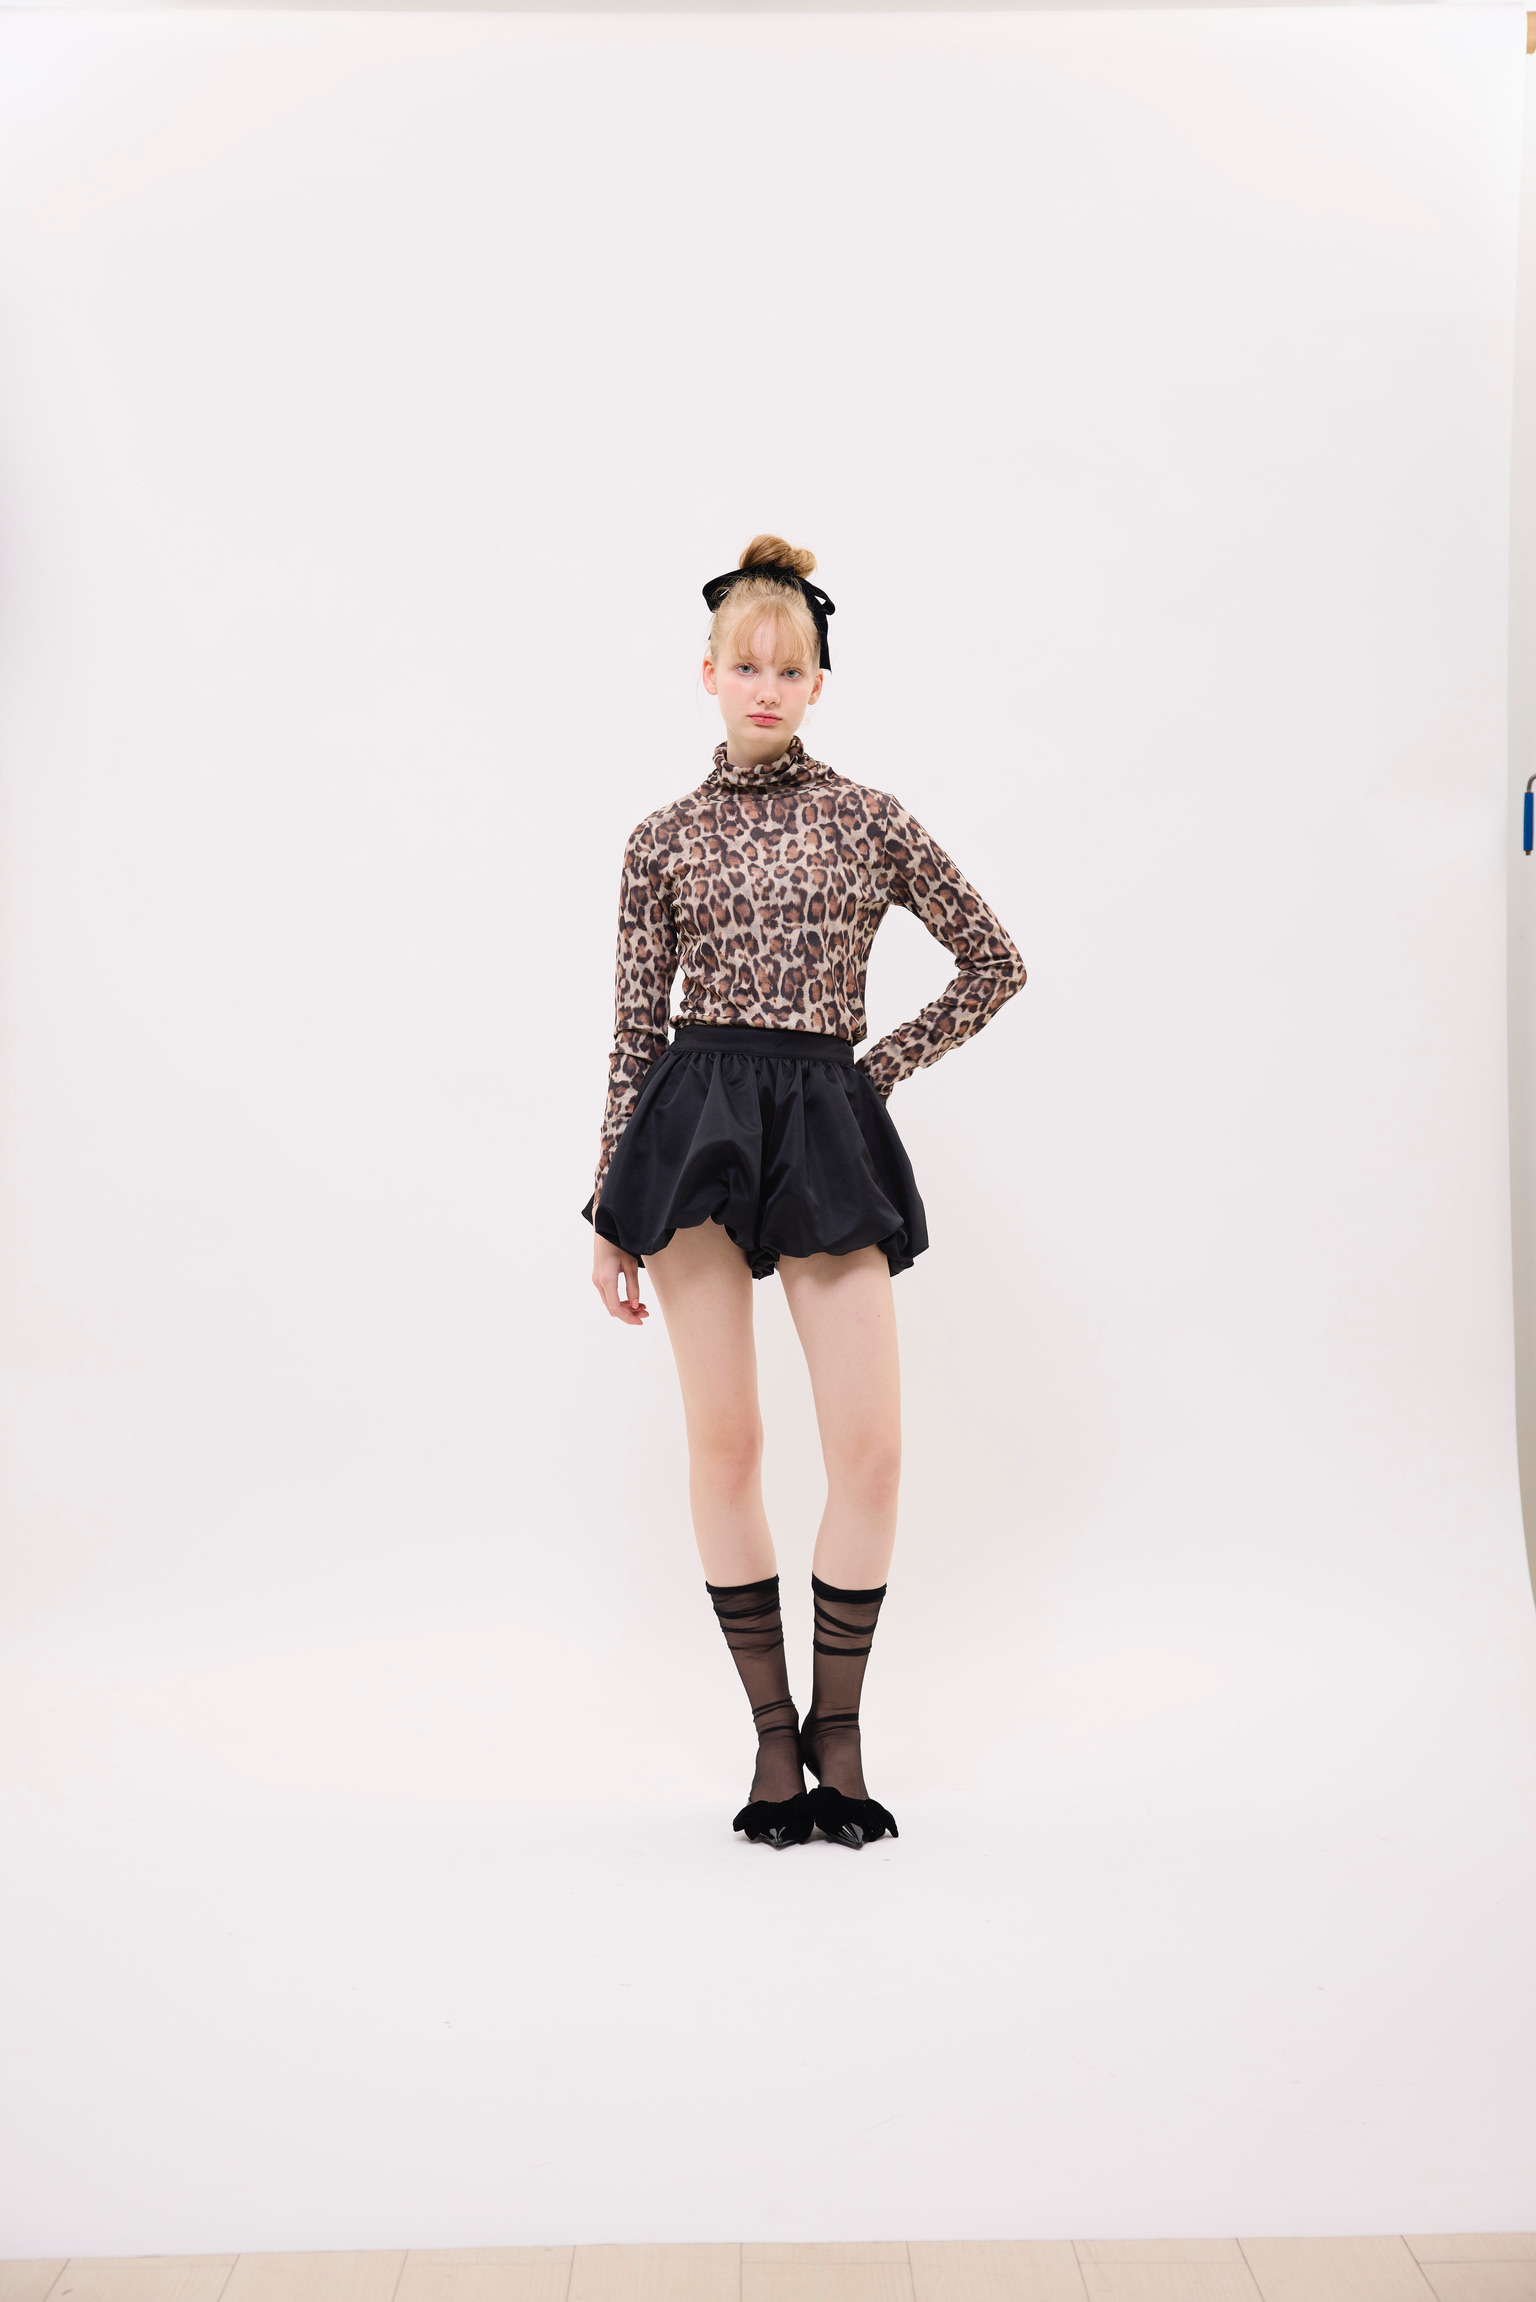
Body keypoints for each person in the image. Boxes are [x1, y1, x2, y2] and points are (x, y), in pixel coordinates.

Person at [583, 535, 1026, 1850]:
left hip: (822, 1123)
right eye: (747, 666)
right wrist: (608, 1208)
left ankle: (841, 1731)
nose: (767, 688)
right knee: (727, 1445)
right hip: (693, 1127)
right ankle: (774, 1741)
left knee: (870, 1452)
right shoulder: (660, 840)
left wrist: (871, 1070)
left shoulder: (871, 819)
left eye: (791, 669)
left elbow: (993, 959)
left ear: (820, 682)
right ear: (709, 674)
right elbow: (632, 1032)